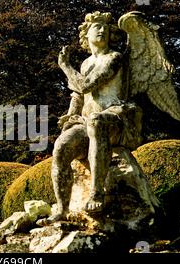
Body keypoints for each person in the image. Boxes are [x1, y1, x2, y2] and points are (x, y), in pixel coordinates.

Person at [46, 12, 143, 223]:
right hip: (87, 121)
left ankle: (97, 192)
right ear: (86, 35)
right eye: (96, 27)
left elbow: (86, 85)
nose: (101, 30)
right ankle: (62, 208)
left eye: (105, 28)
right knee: (61, 146)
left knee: (97, 123)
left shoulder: (114, 58)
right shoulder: (85, 64)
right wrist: (70, 114)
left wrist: (65, 66)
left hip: (115, 118)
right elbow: (79, 95)